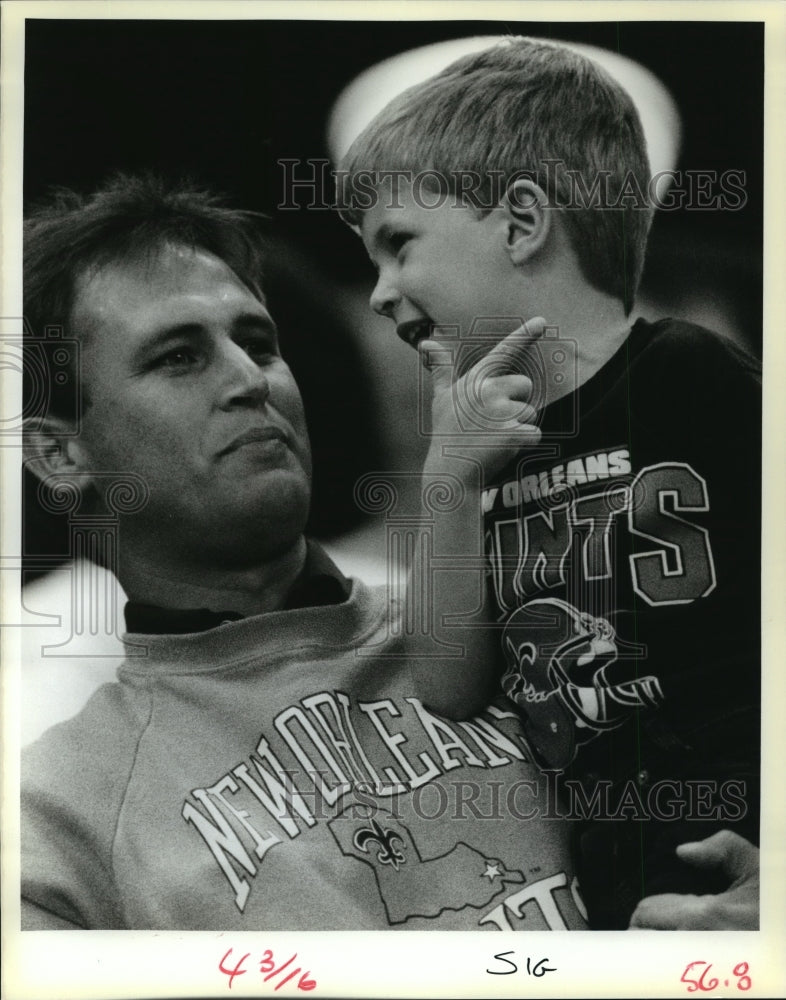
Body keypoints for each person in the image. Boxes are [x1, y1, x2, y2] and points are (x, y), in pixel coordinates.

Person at [20, 173, 588, 931]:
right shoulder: (59, 821)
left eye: (257, 342)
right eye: (178, 358)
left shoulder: (520, 615)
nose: (252, 380)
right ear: (59, 455)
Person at [338, 36, 761, 929]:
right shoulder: (479, 451)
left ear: (522, 221)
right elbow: (448, 686)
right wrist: (448, 483)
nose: (379, 292)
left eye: (397, 245)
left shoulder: (692, 377)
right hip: (614, 887)